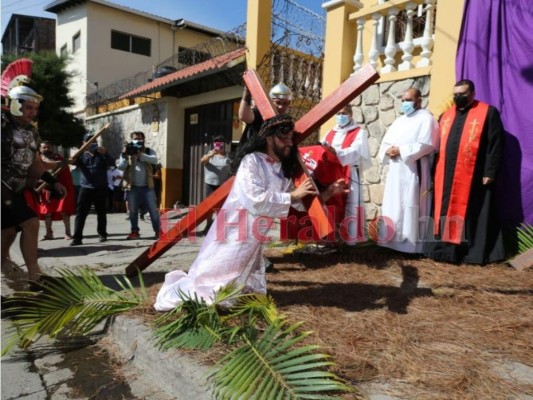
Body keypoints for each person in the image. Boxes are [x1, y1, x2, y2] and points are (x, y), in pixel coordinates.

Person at [154, 115, 347, 311]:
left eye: (291, 139)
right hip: (233, 229)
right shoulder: (251, 161)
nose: (290, 143)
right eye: (284, 138)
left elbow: (300, 204)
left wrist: (329, 192)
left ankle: (231, 294)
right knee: (214, 272)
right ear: (270, 138)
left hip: (255, 235)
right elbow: (254, 199)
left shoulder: (281, 171)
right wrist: (293, 196)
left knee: (239, 275)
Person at [424, 79, 505, 264]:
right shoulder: (446, 115)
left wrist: (490, 172)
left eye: (462, 94)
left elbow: (495, 144)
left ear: (472, 94)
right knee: (443, 210)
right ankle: (442, 251)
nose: (458, 98)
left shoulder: (487, 113)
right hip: (444, 175)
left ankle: (467, 254)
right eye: (456, 94)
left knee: (471, 213)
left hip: (474, 176)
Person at [1, 85, 67, 283]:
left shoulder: (32, 132)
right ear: (14, 105)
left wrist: (52, 182)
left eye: (35, 108)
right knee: (30, 223)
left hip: (15, 190)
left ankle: (13, 273)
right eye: (29, 107)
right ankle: (35, 277)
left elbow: (35, 164)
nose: (33, 112)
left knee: (8, 232)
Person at [377, 88, 439, 253]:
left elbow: (427, 144)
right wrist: (388, 151)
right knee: (393, 204)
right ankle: (391, 242)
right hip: (396, 169)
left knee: (411, 204)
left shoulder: (427, 119)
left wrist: (401, 151)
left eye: (408, 100)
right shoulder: (399, 121)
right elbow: (386, 142)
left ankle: (411, 246)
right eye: (403, 100)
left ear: (419, 100)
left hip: (413, 168)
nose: (405, 103)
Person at [320, 104, 372, 245]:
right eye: (338, 113)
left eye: (343, 113)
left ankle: (350, 238)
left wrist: (336, 152)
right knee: (331, 203)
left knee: (350, 205)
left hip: (349, 172)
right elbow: (321, 148)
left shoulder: (358, 132)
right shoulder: (330, 132)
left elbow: (356, 151)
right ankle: (331, 237)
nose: (340, 116)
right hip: (332, 174)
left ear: (350, 115)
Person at [70, 133, 115, 246]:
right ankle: (77, 238)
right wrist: (77, 154)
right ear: (84, 143)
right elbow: (72, 161)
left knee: (101, 212)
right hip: (85, 188)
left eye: (93, 141)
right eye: (88, 141)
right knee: (81, 213)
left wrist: (105, 154)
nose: (91, 143)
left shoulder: (101, 154)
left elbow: (112, 164)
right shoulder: (81, 155)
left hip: (100, 187)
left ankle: (102, 234)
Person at [117, 131, 160, 240]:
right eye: (135, 139)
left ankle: (158, 231)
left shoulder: (149, 151)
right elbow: (120, 167)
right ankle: (134, 231)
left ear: (144, 140)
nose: (138, 141)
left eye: (140, 139)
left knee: (153, 211)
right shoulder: (127, 152)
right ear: (131, 140)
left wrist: (141, 155)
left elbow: (155, 160)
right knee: (133, 211)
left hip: (147, 187)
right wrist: (126, 156)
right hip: (132, 187)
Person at [37, 141, 76, 240]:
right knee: (47, 213)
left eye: (48, 147)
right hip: (45, 189)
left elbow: (65, 173)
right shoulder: (38, 159)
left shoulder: (59, 159)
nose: (46, 149)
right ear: (40, 149)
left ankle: (68, 233)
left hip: (59, 188)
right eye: (44, 147)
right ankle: (49, 233)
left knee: (63, 211)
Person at [238, 82, 292, 149]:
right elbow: (244, 116)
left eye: (285, 103)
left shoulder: (286, 121)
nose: (281, 106)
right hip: (250, 154)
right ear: (271, 101)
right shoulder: (260, 112)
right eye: (278, 102)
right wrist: (247, 93)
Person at [200, 135, 231, 233]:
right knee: (209, 207)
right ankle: (208, 226)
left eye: (220, 142)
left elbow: (232, 169)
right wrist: (211, 154)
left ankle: (220, 227)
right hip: (210, 184)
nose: (218, 143)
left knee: (221, 207)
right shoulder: (209, 154)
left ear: (223, 144)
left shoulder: (227, 156)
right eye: (216, 142)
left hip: (222, 186)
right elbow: (202, 161)